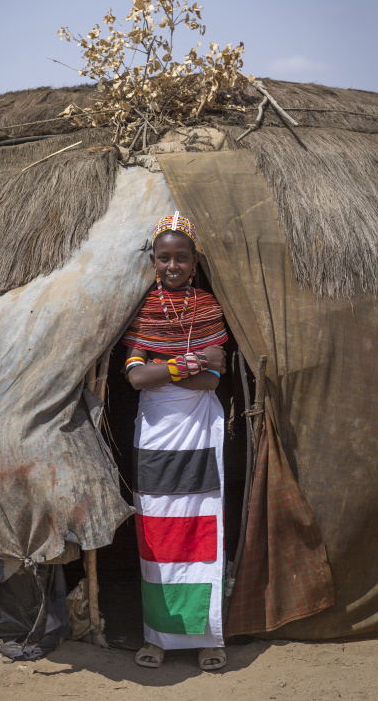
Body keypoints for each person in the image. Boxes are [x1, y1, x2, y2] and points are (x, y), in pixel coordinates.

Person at [122, 211, 228, 671]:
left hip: (201, 433)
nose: (172, 266)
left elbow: (213, 380)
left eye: (180, 257)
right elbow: (136, 379)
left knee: (203, 532)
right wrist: (187, 363)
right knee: (157, 535)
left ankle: (209, 638)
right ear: (152, 260)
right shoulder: (142, 308)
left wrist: (166, 369)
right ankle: (158, 637)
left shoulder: (207, 308)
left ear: (194, 260)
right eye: (163, 257)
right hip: (155, 437)